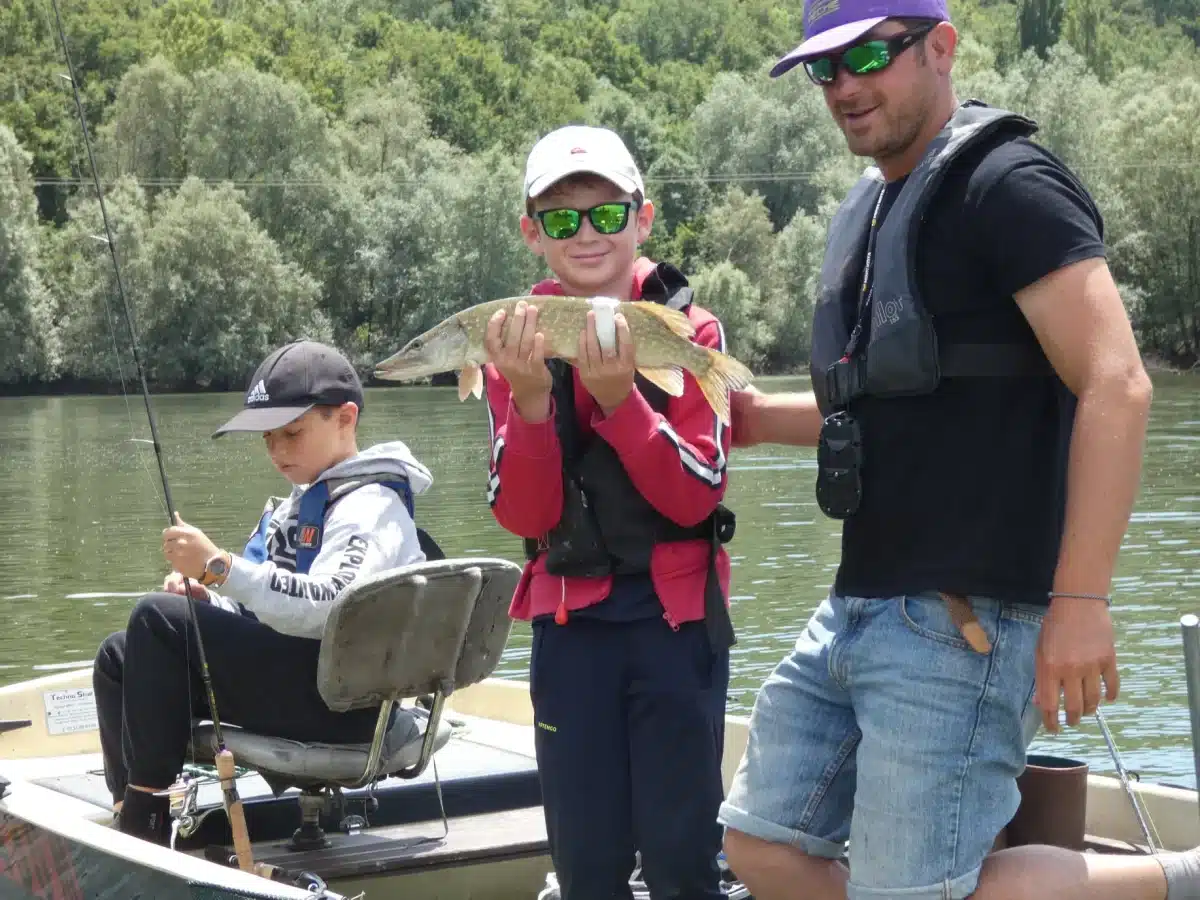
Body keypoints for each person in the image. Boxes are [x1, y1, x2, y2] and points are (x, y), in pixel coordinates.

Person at [711, 3, 1198, 900]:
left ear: (941, 47)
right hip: (857, 609)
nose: (846, 86)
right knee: (760, 846)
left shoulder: (1008, 183)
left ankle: (1176, 879)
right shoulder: (879, 206)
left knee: (914, 889)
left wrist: (1081, 602)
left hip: (966, 623)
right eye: (826, 69)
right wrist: (746, 418)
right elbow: (887, 410)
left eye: (869, 55)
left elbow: (1117, 383)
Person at [481, 124, 736, 900]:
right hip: (570, 630)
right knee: (587, 865)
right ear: (533, 234)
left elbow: (696, 490)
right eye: (562, 220)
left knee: (680, 858)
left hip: (675, 624)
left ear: (643, 218)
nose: (586, 234)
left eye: (606, 214)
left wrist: (623, 400)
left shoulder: (688, 330)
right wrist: (529, 400)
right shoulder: (514, 337)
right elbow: (523, 509)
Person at [93, 339, 433, 846]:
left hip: (346, 707)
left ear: (345, 418)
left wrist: (219, 567)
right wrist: (214, 596)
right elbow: (259, 592)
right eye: (267, 438)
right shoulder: (297, 505)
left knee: (156, 620)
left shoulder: (372, 506)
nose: (277, 452)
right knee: (120, 656)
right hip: (302, 681)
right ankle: (134, 809)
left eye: (292, 433)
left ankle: (145, 828)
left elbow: (329, 606)